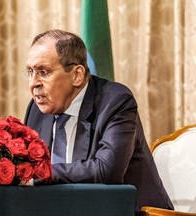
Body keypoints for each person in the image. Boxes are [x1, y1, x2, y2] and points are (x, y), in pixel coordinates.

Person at [23, 29, 173, 214]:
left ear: (76, 75)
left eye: (43, 72)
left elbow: (107, 170)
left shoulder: (115, 101)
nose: (33, 83)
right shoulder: (37, 110)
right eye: (30, 72)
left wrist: (40, 172)